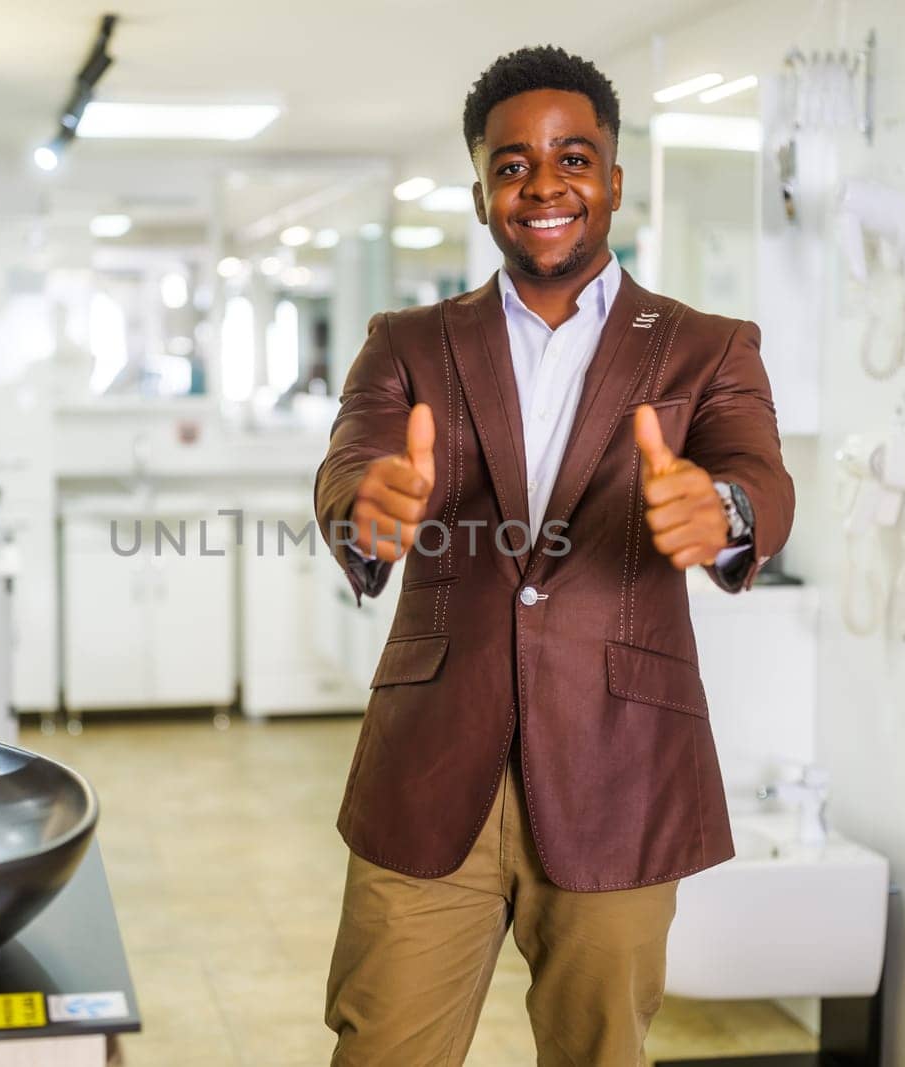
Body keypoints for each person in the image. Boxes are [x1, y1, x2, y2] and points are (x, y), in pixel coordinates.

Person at [314, 45, 795, 1067]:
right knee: (380, 1045)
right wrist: (368, 506)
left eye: (572, 157)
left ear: (614, 178)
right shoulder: (406, 341)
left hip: (620, 766)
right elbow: (354, 459)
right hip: (432, 763)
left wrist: (723, 508)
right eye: (511, 164)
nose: (543, 185)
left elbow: (758, 472)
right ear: (483, 187)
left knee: (600, 1053)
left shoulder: (706, 346)